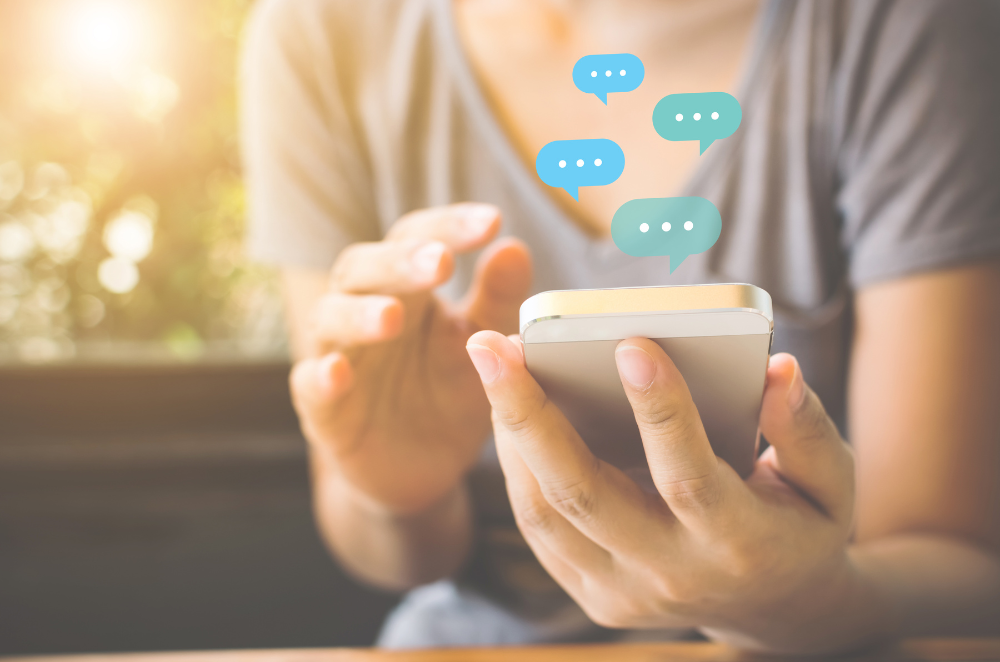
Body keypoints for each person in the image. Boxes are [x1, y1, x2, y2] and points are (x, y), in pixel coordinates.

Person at [239, 0, 1000, 653]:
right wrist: (396, 495)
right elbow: (383, 551)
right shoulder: (322, 34)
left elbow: (962, 564)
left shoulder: (904, 24)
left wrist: (805, 605)